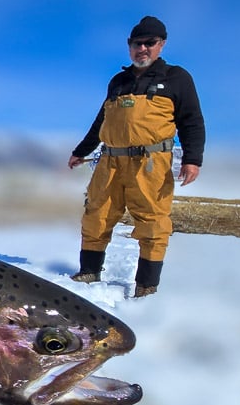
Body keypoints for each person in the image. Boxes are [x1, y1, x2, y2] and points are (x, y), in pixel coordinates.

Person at [67, 15, 206, 297]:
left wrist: (193, 159)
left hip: (150, 163)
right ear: (129, 46)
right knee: (97, 215)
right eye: (136, 44)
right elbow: (101, 121)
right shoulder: (119, 81)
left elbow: (192, 120)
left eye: (149, 43)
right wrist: (81, 151)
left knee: (153, 222)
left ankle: (146, 286)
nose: (142, 49)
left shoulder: (176, 78)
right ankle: (88, 272)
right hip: (109, 162)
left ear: (161, 45)